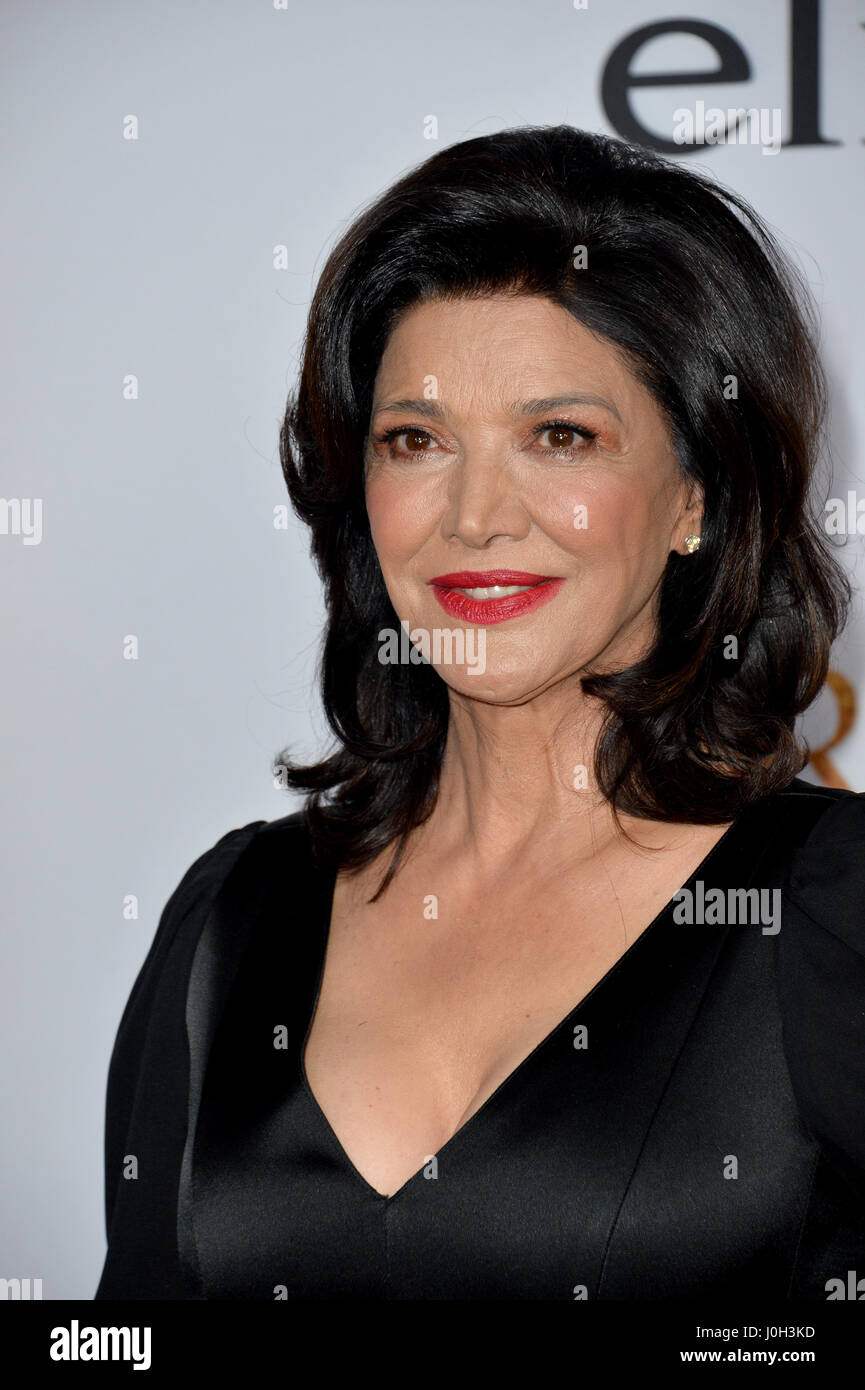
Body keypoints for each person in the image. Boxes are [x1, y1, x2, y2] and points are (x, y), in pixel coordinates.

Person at [95, 125, 865, 1301]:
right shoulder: (233, 918)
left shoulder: (831, 914)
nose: (474, 513)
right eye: (417, 440)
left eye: (561, 436)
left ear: (694, 498)